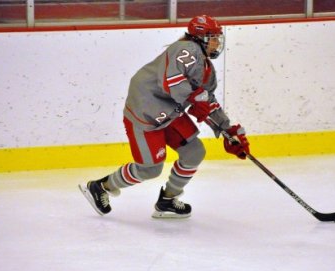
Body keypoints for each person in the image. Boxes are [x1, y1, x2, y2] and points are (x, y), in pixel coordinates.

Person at [79, 15, 250, 219]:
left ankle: (167, 200)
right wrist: (196, 100)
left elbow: (207, 100)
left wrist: (227, 130)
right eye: (213, 38)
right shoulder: (186, 49)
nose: (217, 43)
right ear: (200, 37)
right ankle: (100, 187)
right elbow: (172, 82)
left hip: (169, 113)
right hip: (146, 114)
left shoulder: (206, 69)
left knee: (194, 152)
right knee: (150, 169)